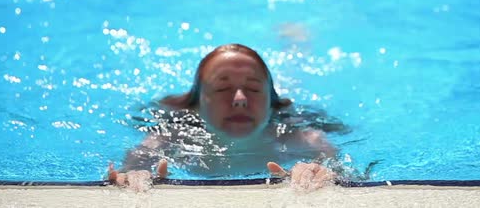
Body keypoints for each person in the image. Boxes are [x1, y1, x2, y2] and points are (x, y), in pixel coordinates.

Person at [108, 43, 343, 191]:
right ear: (196, 106)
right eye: (221, 89)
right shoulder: (167, 139)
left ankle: (297, 44)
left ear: (272, 106)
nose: (240, 99)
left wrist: (325, 173)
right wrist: (132, 178)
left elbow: (347, 175)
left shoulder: (305, 141)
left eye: (253, 89)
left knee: (295, 76)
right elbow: (127, 173)